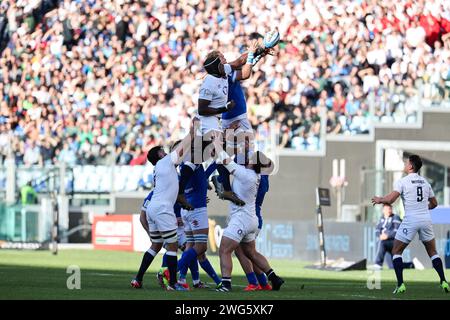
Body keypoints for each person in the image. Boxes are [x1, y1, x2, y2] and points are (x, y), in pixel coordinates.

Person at [211, 136, 284, 292]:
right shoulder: (256, 175)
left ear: (252, 162)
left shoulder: (245, 175)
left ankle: (225, 285)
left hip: (241, 219)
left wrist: (217, 144)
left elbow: (226, 161)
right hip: (252, 219)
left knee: (224, 250)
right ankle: (273, 277)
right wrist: (244, 145)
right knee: (251, 252)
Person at [372, 154, 449, 294]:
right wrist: (424, 209)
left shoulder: (403, 182)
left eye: (407, 163)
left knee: (396, 251)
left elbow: (391, 199)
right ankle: (444, 280)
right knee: (433, 252)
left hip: (411, 220)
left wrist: (380, 199)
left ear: (411, 166)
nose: (405, 164)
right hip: (425, 220)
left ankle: (401, 284)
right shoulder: (425, 182)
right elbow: (434, 203)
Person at [373, 204, 402, 269]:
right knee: (392, 266)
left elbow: (397, 231)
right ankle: (410, 264)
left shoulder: (395, 217)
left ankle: (378, 264)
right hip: (386, 242)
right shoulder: (381, 218)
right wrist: (380, 235)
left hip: (394, 242)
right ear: (383, 210)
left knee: (382, 242)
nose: (388, 210)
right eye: (387, 209)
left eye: (390, 209)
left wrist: (387, 236)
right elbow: (377, 230)